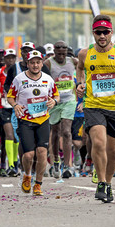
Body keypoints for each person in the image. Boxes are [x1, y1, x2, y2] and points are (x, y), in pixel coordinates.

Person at [76, 15, 115, 202]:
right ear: (93, 33)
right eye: (98, 32)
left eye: (105, 32)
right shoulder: (85, 53)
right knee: (98, 142)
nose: (102, 36)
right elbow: (79, 68)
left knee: (113, 149)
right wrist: (78, 84)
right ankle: (101, 181)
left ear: (111, 33)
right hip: (93, 105)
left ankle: (108, 183)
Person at [7, 50, 60, 196]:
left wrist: (54, 101)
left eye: (38, 62)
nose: (35, 65)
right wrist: (15, 105)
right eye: (32, 62)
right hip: (25, 120)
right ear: (28, 64)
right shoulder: (19, 79)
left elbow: (56, 94)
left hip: (43, 119)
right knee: (29, 155)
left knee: (42, 152)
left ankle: (38, 183)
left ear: (42, 63)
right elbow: (10, 97)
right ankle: (27, 175)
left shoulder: (48, 79)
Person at [44, 40, 78, 178]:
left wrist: (80, 83)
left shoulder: (73, 61)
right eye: (58, 49)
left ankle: (68, 165)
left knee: (66, 131)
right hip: (54, 102)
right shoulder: (48, 63)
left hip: (69, 101)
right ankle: (56, 161)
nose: (61, 51)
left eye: (64, 49)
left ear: (66, 51)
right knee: (55, 132)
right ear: (54, 50)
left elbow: (83, 68)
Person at [0, 49, 19, 177]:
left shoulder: (19, 71)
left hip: (18, 107)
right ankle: (10, 165)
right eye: (7, 58)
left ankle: (15, 161)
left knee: (16, 136)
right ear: (4, 59)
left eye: (12, 58)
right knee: (9, 135)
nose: (10, 60)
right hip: (5, 107)